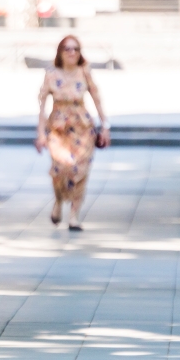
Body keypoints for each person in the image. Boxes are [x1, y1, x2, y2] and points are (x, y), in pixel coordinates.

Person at [35, 35, 110, 231]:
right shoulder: (51, 74)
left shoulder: (84, 72)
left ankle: (74, 216)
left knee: (80, 170)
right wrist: (41, 134)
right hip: (59, 128)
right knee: (59, 171)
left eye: (76, 49)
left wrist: (105, 126)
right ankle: (59, 202)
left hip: (82, 127)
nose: (72, 52)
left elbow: (96, 98)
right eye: (67, 49)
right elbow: (42, 107)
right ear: (60, 52)